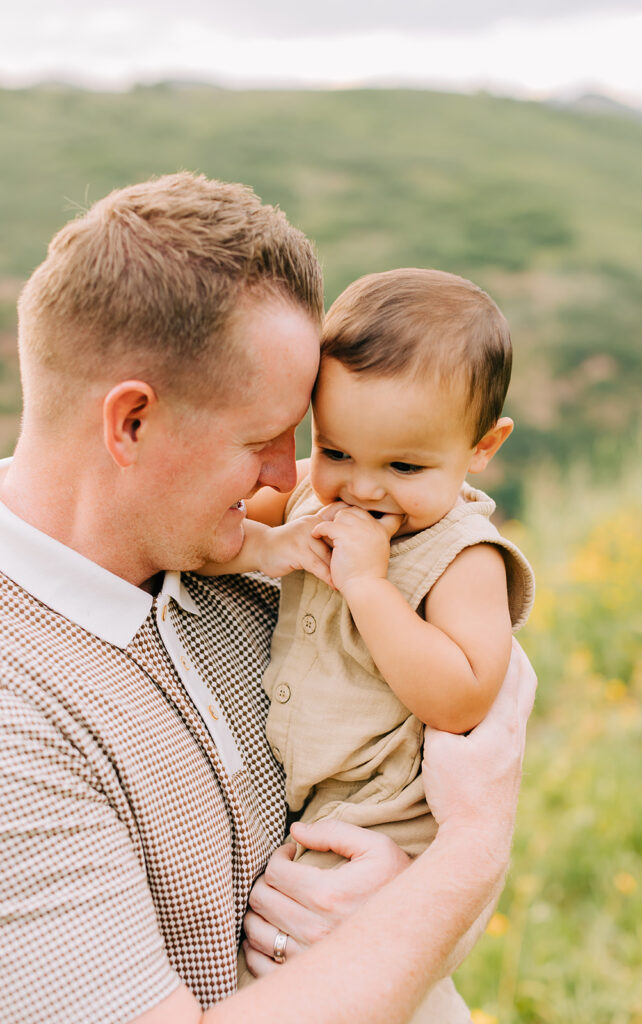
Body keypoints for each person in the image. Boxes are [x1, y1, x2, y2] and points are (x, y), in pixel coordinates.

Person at [0, 172, 536, 1024]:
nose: (300, 483)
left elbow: (462, 704)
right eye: (264, 440)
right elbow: (469, 818)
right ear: (130, 422)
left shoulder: (261, 552)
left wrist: (403, 904)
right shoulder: (18, 716)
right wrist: (467, 859)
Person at [202, 268, 534, 1020]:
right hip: (313, 801)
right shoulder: (312, 497)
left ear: (481, 447)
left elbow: (459, 699)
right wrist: (270, 542)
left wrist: (370, 589)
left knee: (325, 977)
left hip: (383, 814)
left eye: (406, 467)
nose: (362, 489)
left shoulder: (462, 557)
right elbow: (205, 534)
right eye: (339, 451)